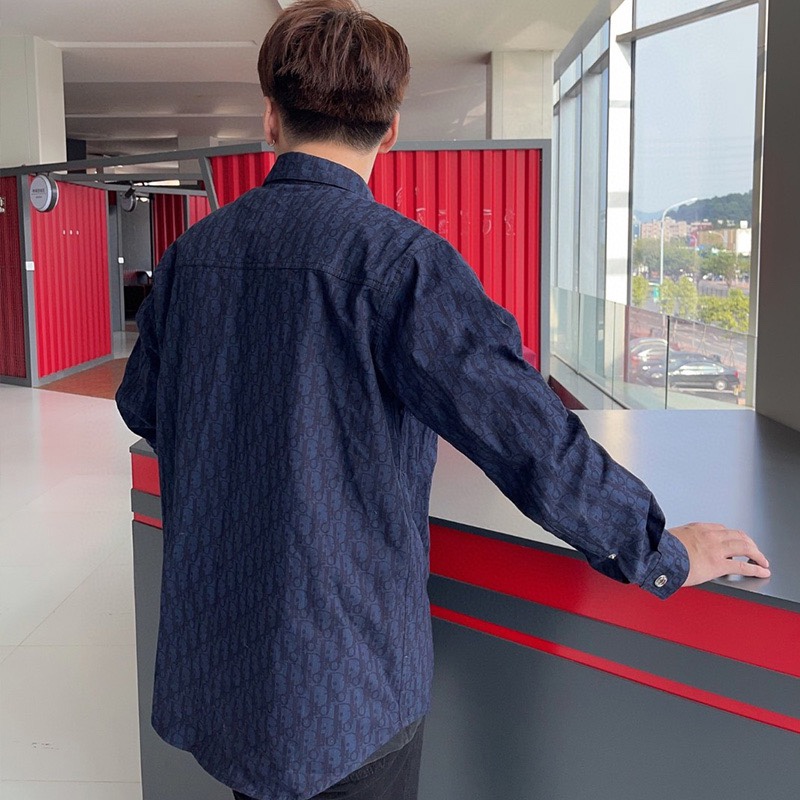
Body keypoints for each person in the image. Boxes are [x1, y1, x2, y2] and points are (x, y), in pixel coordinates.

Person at [115, 2, 770, 799]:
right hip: (343, 683)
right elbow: (529, 437)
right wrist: (662, 553)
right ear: (391, 129)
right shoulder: (402, 263)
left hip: (223, 660)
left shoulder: (192, 256)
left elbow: (143, 405)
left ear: (270, 119)